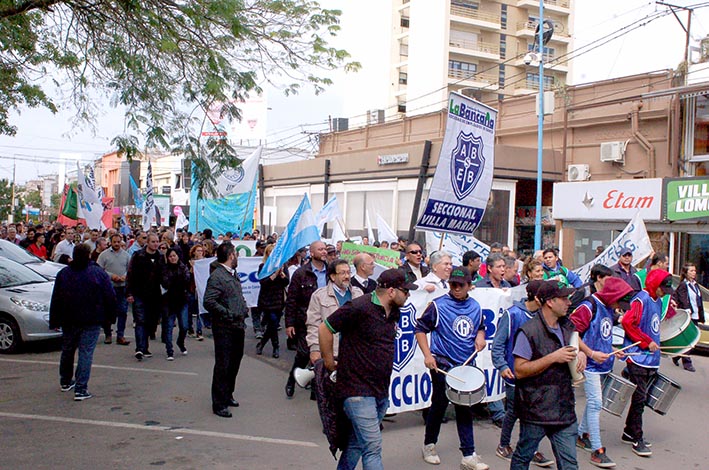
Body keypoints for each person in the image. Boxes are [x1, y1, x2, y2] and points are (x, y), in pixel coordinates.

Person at [318, 269, 417, 470]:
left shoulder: (394, 311)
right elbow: (325, 328)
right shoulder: (359, 307)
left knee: (356, 443)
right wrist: (329, 362)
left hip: (380, 390)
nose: (408, 295)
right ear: (391, 291)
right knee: (372, 447)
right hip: (356, 391)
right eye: (405, 291)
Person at [415, 266, 490, 470]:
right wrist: (428, 355)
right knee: (438, 406)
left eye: (461, 285)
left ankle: (468, 454)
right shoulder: (438, 306)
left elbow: (480, 327)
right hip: (442, 364)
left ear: (469, 285)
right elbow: (420, 329)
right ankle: (429, 444)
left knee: (464, 408)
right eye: (453, 284)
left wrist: (480, 337)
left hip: (465, 366)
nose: (456, 288)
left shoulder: (475, 306)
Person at [510, 281, 586, 470]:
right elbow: (519, 370)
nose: (569, 302)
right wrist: (552, 358)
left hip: (564, 409)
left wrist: (582, 354)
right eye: (564, 298)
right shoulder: (528, 331)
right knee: (523, 458)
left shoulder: (567, 326)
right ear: (550, 302)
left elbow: (575, 346)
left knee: (570, 465)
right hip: (536, 410)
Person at [570, 277, 634, 468]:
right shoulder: (589, 306)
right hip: (589, 365)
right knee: (596, 403)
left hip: (603, 364)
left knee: (595, 403)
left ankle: (581, 434)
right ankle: (597, 450)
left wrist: (614, 348)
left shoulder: (608, 309)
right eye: (618, 301)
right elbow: (572, 332)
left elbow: (603, 335)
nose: (619, 307)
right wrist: (588, 352)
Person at [491, 280, 553, 468]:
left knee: (528, 412)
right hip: (515, 375)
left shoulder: (543, 316)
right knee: (516, 411)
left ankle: (527, 447)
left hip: (536, 375)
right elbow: (498, 344)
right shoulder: (513, 315)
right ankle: (506, 445)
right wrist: (502, 366)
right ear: (537, 298)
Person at [49, 244, 116, 401]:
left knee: (68, 350)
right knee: (85, 353)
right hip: (91, 319)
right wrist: (111, 317)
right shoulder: (97, 273)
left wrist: (55, 319)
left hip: (69, 319)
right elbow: (110, 296)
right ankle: (80, 388)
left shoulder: (64, 273)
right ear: (89, 255)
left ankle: (65, 381)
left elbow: (56, 298)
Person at [620, 269, 673, 456]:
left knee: (640, 398)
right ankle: (637, 437)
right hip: (638, 357)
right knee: (640, 398)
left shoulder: (658, 301)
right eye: (663, 288)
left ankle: (629, 431)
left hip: (650, 358)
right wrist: (645, 341)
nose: (664, 292)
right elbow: (627, 322)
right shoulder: (640, 299)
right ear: (654, 284)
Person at [203, 242, 248, 418]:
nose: (237, 256)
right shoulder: (217, 276)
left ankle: (228, 393)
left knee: (235, 361)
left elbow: (237, 295)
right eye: (235, 253)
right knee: (223, 364)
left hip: (237, 325)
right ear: (231, 255)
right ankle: (219, 403)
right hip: (224, 327)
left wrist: (243, 308)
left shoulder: (231, 274)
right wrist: (228, 314)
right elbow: (209, 301)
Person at [285, 240, 328, 398]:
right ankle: (292, 379)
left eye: (325, 249)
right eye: (320, 249)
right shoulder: (301, 273)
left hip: (327, 321)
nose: (324, 252)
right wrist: (289, 323)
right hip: (306, 320)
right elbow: (292, 300)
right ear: (312, 253)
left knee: (323, 355)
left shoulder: (331, 272)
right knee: (304, 354)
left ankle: (316, 388)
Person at [307, 259, 364, 369]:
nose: (347, 276)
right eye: (342, 273)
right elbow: (313, 325)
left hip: (354, 352)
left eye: (348, 272)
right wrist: (315, 349)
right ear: (333, 276)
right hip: (331, 352)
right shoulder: (319, 296)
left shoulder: (358, 293)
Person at [126, 233, 164, 360]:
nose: (155, 244)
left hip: (155, 295)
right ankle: (140, 348)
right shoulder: (138, 256)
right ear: (147, 242)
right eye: (153, 241)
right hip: (139, 293)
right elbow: (130, 274)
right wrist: (129, 293)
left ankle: (145, 346)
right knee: (140, 321)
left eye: (157, 241)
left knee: (151, 322)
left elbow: (164, 275)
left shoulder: (160, 257)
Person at [97, 234, 131, 346]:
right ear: (110, 242)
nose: (116, 244)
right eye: (114, 242)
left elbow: (130, 269)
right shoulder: (104, 255)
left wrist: (125, 276)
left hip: (122, 287)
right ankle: (108, 334)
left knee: (122, 311)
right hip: (109, 287)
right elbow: (99, 270)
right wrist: (111, 276)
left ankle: (120, 335)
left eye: (118, 242)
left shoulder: (126, 255)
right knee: (108, 311)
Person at [256, 244, 289, 358]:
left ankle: (262, 343)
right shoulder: (263, 267)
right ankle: (276, 347)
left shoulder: (283, 266)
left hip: (278, 299)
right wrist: (274, 275)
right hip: (267, 299)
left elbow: (286, 282)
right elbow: (263, 283)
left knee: (273, 325)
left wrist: (283, 275)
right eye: (270, 253)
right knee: (273, 322)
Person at [672, 263, 703, 372]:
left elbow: (698, 301)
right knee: (690, 339)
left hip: (695, 315)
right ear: (685, 273)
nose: (694, 273)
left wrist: (701, 315)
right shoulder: (683, 285)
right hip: (688, 315)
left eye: (694, 271)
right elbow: (683, 299)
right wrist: (688, 310)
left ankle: (677, 355)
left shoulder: (695, 285)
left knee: (693, 338)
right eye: (691, 271)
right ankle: (687, 362)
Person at [161, 248, 191, 360]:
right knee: (169, 326)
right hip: (169, 301)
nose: (173, 258)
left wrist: (177, 282)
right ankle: (169, 350)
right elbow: (165, 283)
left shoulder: (183, 267)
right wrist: (177, 282)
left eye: (174, 256)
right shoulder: (165, 269)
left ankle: (180, 342)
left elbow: (187, 280)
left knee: (184, 326)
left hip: (182, 300)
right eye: (170, 256)